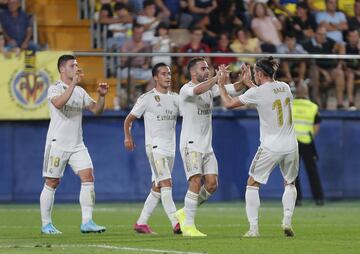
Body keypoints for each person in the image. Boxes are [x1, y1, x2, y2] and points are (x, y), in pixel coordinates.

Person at [218, 57, 299, 237]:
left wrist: (221, 85)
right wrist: (249, 84)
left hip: (271, 146)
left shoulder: (259, 92)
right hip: (292, 145)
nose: (253, 74)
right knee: (289, 182)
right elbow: (266, 96)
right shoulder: (285, 87)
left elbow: (229, 104)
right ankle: (287, 220)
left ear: (260, 73)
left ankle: (253, 228)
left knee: (252, 183)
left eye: (255, 72)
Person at [40, 55, 109, 234]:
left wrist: (101, 97)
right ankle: (46, 224)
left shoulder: (80, 92)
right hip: (57, 144)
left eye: (77, 65)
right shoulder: (55, 88)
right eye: (73, 65)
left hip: (77, 145)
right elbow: (59, 103)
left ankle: (87, 222)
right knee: (52, 182)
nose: (77, 68)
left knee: (88, 177)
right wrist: (73, 84)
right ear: (63, 69)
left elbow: (97, 110)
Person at [175, 58, 243, 237]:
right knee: (195, 182)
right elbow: (198, 90)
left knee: (212, 185)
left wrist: (245, 80)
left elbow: (234, 89)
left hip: (206, 146)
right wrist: (216, 78)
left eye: (207, 67)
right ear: (192, 72)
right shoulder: (185, 89)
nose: (206, 70)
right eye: (203, 68)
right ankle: (188, 226)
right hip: (191, 145)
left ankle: (183, 212)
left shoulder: (211, 89)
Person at [123, 62, 181, 235]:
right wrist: (128, 136)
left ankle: (141, 223)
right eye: (163, 74)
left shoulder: (175, 98)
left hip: (170, 148)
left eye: (169, 73)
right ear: (155, 77)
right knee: (166, 183)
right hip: (155, 148)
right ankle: (176, 223)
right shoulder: (147, 98)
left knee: (157, 186)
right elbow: (128, 120)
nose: (168, 77)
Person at [293, 83, 324, 206]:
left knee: (293, 172)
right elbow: (317, 126)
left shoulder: (290, 105)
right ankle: (319, 198)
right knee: (312, 171)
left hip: (292, 142)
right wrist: (310, 137)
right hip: (307, 141)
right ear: (306, 92)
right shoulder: (313, 107)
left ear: (297, 92)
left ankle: (297, 200)